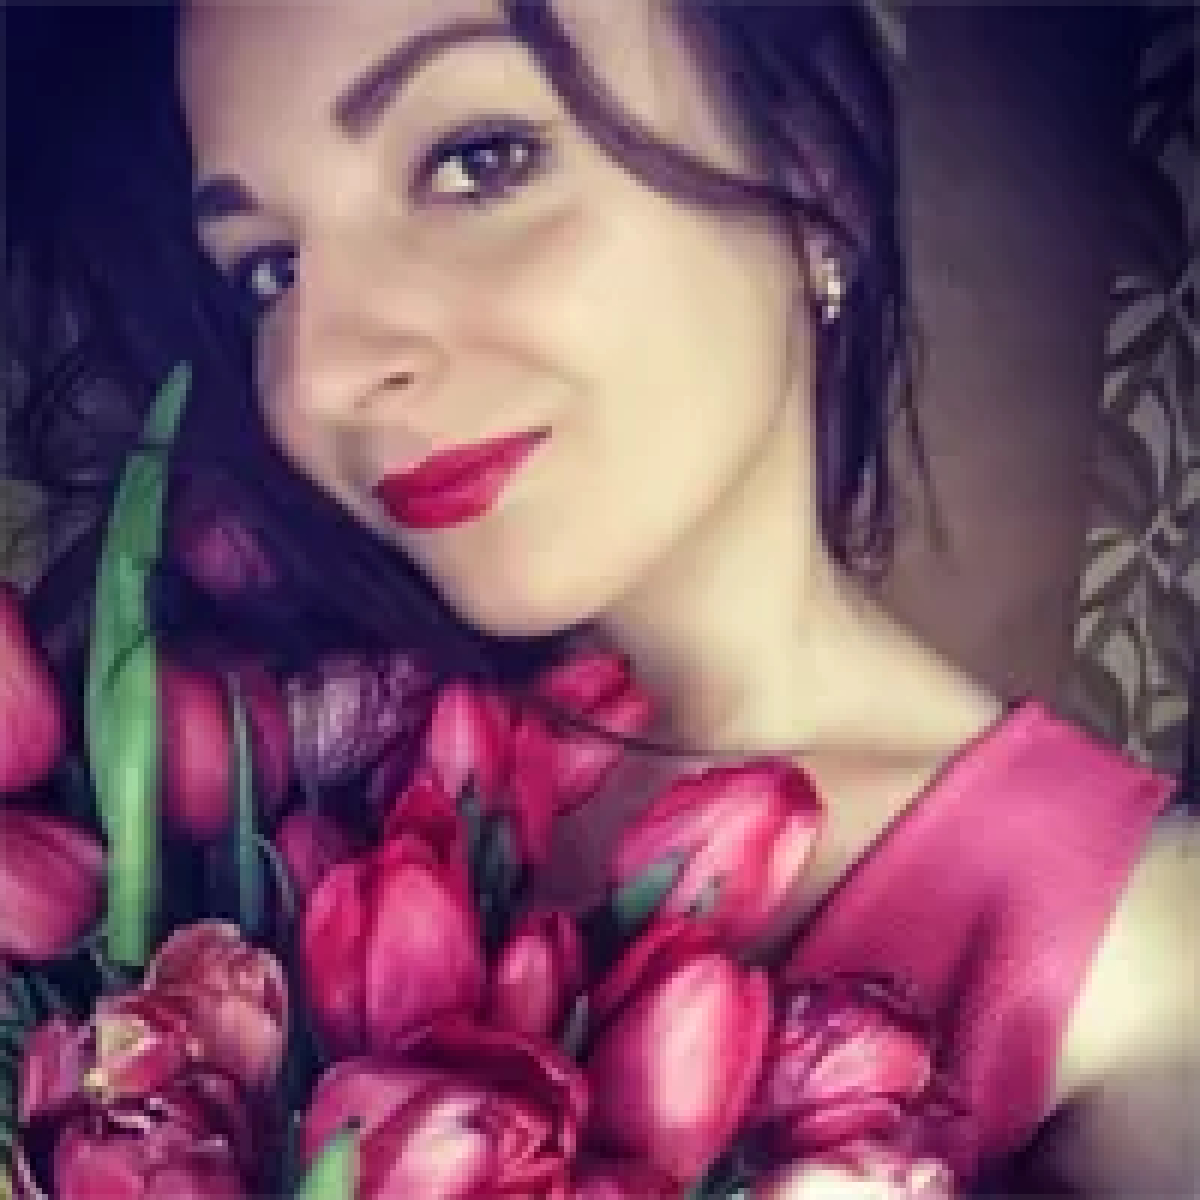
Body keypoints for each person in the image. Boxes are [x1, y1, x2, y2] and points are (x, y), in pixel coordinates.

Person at [7, 2, 1196, 1195]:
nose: (323, 372)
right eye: (270, 270)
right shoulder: (260, 761)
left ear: (810, 173)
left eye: (479, 160)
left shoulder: (1134, 960)